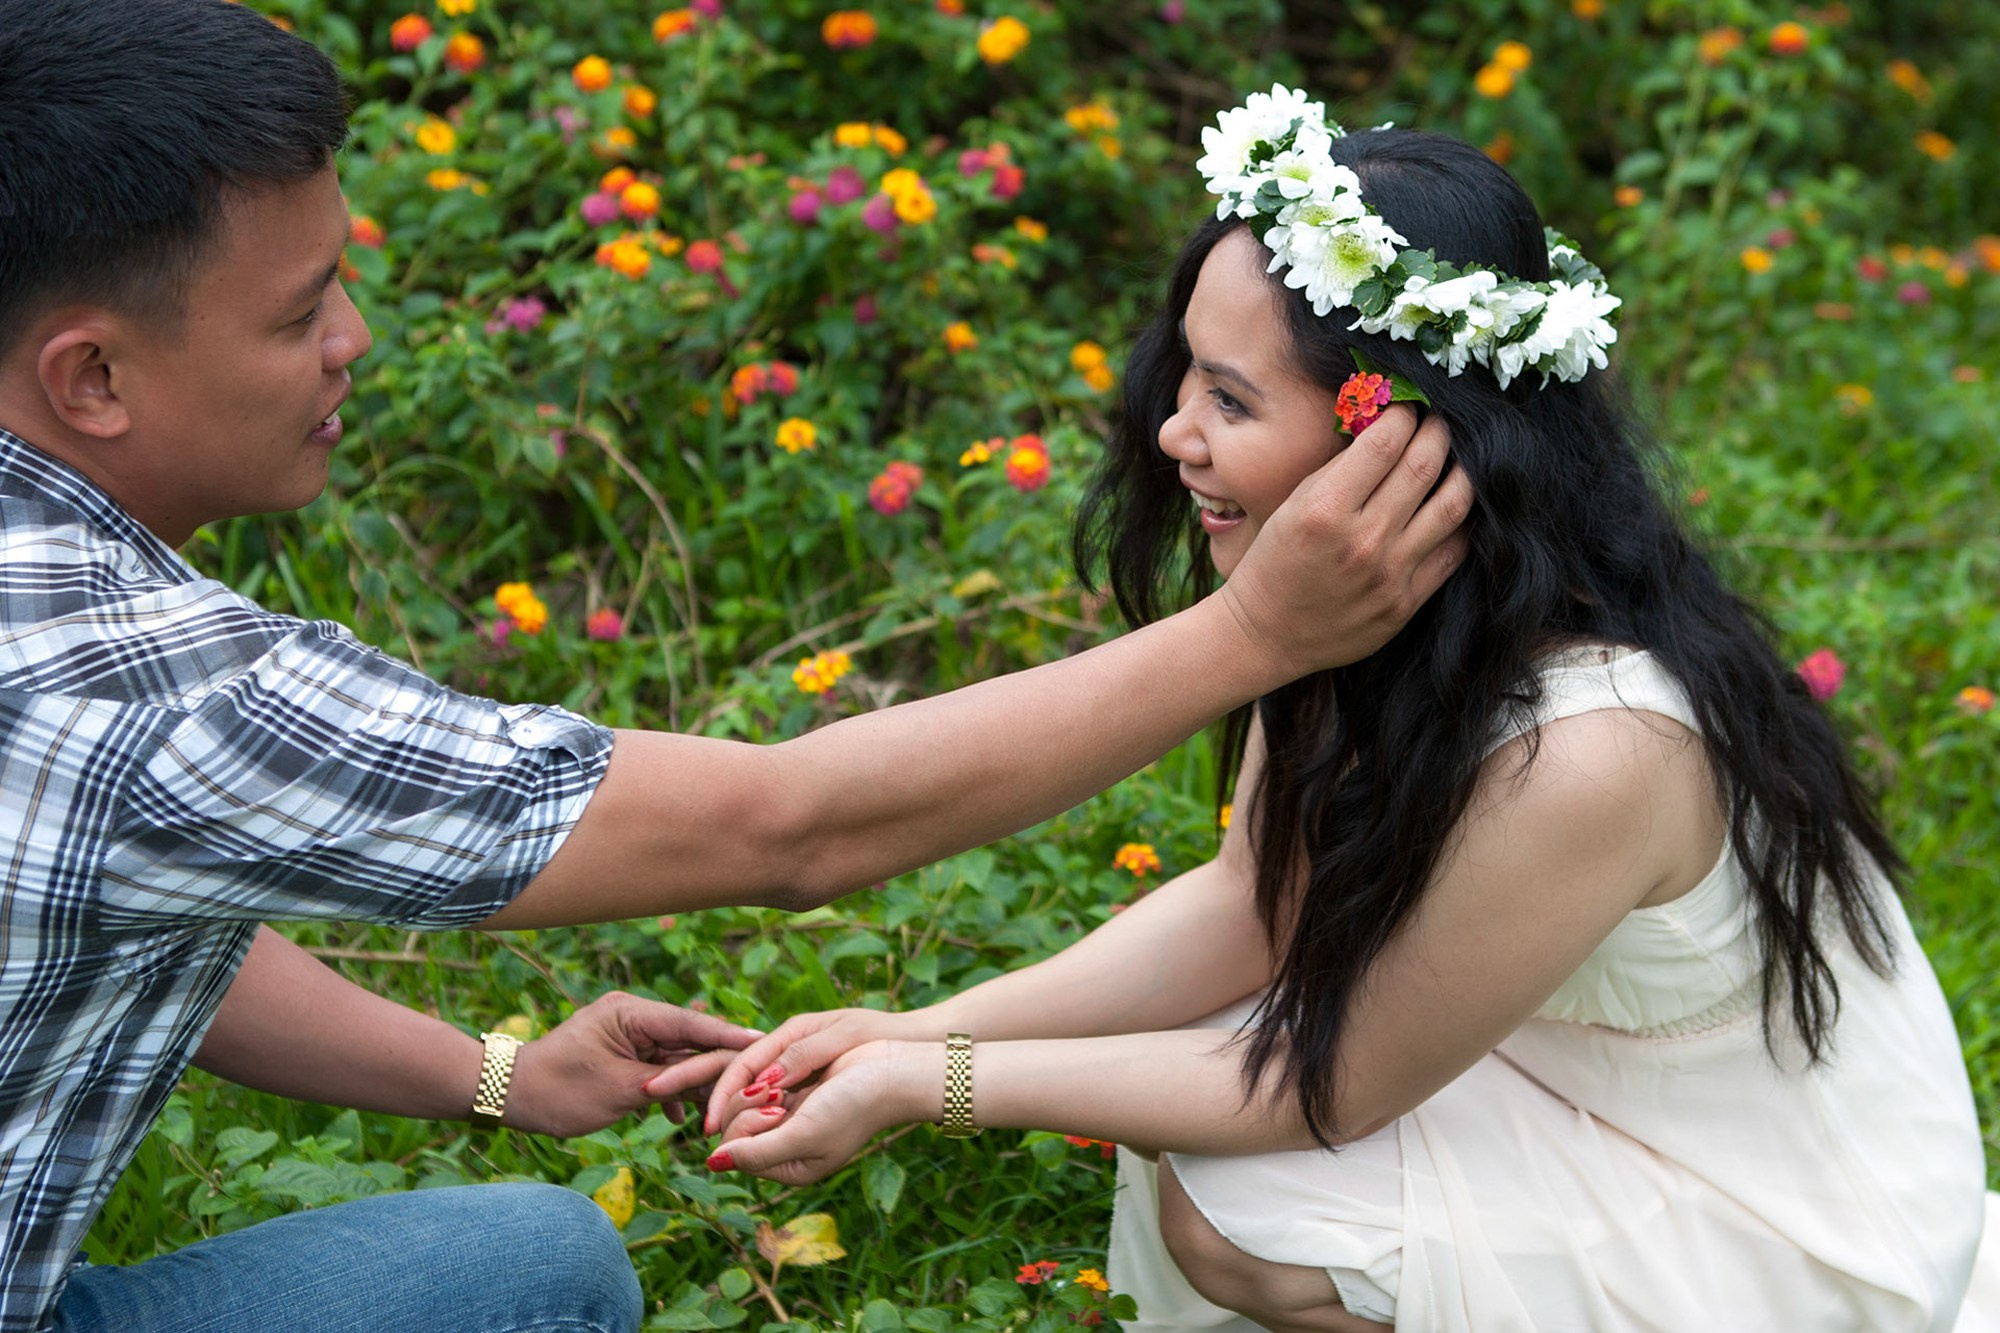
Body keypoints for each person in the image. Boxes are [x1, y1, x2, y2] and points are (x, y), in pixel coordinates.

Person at [0, 8, 1471, 1330]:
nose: (354, 338)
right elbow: (789, 826)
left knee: (541, 1256)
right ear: (93, 376)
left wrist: (496, 1073)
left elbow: (135, 890)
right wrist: (1255, 635)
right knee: (546, 1277)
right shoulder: (143, 690)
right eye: (297, 311)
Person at [701, 89, 1994, 1331]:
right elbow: (1251, 907)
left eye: (1230, 399)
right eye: (1187, 375)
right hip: (1570, 1071)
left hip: (1773, 1203)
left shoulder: (1600, 743)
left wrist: (925, 1083)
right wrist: (910, 1026)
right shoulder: (1355, 601)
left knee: (1244, 1206)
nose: (1173, 432)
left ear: (1397, 438)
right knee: (1204, 1096)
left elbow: (1326, 1084)